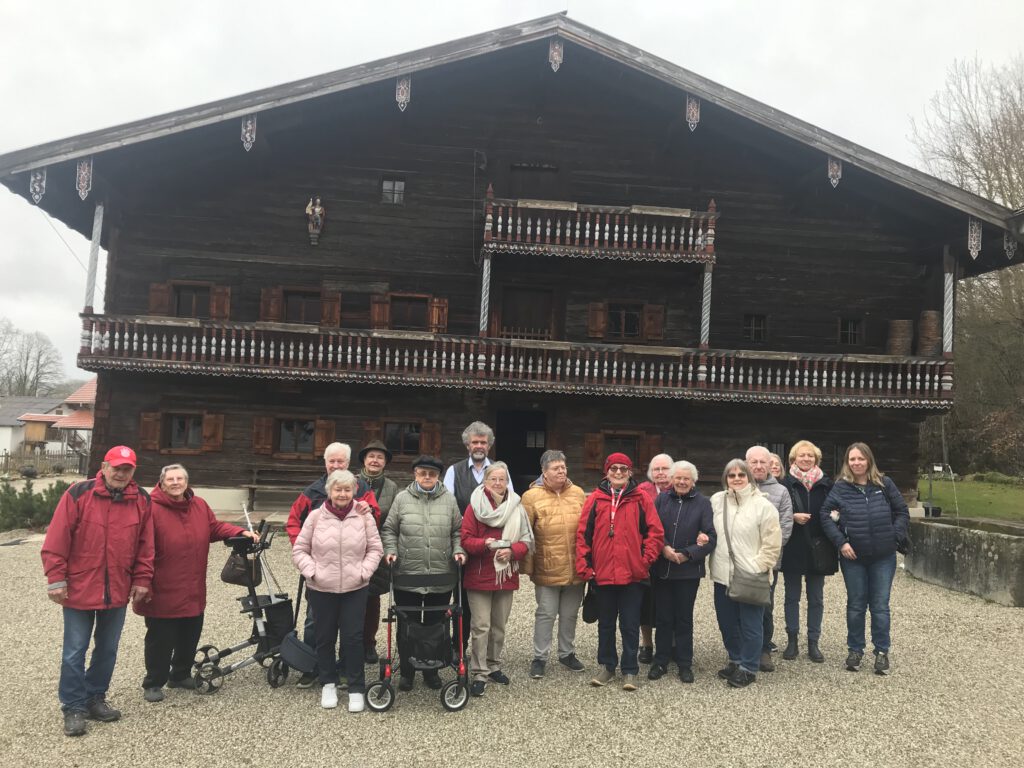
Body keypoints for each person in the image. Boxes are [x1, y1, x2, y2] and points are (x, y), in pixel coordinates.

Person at [41, 445, 154, 737]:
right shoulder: (79, 493)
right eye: (116, 467)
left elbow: (145, 544)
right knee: (74, 650)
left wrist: (142, 578)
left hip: (117, 588)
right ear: (104, 467)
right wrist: (56, 578)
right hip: (79, 587)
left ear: (133, 471)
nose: (121, 473)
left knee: (107, 648)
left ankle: (95, 697)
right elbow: (57, 537)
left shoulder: (141, 499)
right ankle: (73, 706)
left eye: (127, 469)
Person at [135, 463, 257, 703]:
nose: (175, 483)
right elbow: (140, 546)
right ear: (162, 483)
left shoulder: (199, 505)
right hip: (163, 586)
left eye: (180, 479)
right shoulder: (150, 508)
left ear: (186, 482)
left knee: (190, 633)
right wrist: (142, 580)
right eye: (170, 479)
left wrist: (238, 531)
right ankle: (154, 682)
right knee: (161, 638)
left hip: (192, 585)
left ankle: (180, 675)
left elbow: (213, 527)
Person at [286, 442, 380, 688]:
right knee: (315, 623)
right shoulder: (311, 491)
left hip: (351, 572)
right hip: (320, 573)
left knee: (351, 628)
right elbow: (293, 522)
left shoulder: (361, 489)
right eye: (332, 461)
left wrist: (370, 510)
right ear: (325, 462)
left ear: (348, 464)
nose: (336, 465)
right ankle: (313, 667)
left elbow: (375, 518)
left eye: (341, 461)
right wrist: (307, 558)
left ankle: (347, 670)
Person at [576, 453, 664, 692]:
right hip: (603, 573)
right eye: (613, 468)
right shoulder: (595, 499)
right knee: (605, 624)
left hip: (632, 575)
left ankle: (630, 669)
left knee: (630, 624)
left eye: (623, 469)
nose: (618, 473)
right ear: (606, 472)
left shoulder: (641, 499)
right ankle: (607, 666)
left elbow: (655, 533)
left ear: (630, 472)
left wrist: (644, 562)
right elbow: (583, 535)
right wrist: (585, 566)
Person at [820, 442, 909, 676]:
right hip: (853, 557)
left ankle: (881, 651)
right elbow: (825, 515)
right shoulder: (841, 487)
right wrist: (841, 542)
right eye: (852, 459)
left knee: (880, 606)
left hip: (883, 556)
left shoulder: (884, 484)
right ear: (847, 462)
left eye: (860, 458)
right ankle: (855, 649)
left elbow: (902, 511)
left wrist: (894, 536)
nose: (856, 463)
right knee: (856, 605)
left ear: (869, 460)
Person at [381, 455, 466, 691]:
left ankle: (431, 670)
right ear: (415, 474)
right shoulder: (402, 498)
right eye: (422, 473)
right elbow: (389, 530)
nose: (427, 477)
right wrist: (390, 551)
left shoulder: (449, 499)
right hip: (408, 574)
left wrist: (458, 550)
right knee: (407, 625)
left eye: (432, 473)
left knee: (435, 625)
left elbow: (457, 531)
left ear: (438, 476)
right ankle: (407, 671)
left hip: (441, 574)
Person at [461, 462, 533, 696]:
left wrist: (512, 551)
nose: (498, 483)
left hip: (505, 574)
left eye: (502, 479)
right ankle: (479, 671)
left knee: (499, 626)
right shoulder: (474, 506)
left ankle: (493, 665)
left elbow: (526, 540)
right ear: (485, 481)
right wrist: (485, 544)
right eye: (493, 479)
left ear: (507, 482)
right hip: (480, 574)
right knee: (481, 626)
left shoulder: (516, 506)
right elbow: (465, 539)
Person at [709, 459, 782, 688]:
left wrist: (758, 566)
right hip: (722, 574)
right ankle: (736, 659)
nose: (737, 479)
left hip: (750, 574)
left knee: (751, 624)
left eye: (742, 474)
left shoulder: (763, 506)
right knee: (727, 622)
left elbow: (772, 543)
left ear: (749, 478)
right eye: (732, 475)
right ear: (726, 479)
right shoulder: (717, 501)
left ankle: (749, 667)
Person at [443, 421, 511, 653]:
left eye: (483, 442)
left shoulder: (500, 471)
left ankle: (486, 654)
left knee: (491, 604)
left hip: (493, 547)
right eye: (475, 442)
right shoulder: (454, 471)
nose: (479, 446)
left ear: (489, 445)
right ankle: (458, 647)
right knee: (461, 599)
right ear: (467, 445)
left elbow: (510, 504)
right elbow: (450, 507)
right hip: (465, 543)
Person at [521, 450, 587, 679]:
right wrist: (527, 567)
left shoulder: (578, 493)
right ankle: (540, 657)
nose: (561, 471)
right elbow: (526, 533)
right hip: (547, 566)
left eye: (563, 467)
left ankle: (566, 653)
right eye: (555, 468)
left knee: (570, 614)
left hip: (575, 567)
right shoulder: (531, 497)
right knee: (546, 613)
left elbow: (588, 529)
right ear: (544, 472)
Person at [649, 461, 715, 683]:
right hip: (663, 569)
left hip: (688, 571)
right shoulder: (661, 499)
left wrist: (688, 553)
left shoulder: (703, 503)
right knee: (663, 617)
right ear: (672, 479)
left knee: (684, 618)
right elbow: (653, 528)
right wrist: (664, 548)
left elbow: (710, 537)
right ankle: (660, 661)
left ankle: (685, 663)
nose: (682, 482)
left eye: (686, 478)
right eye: (678, 478)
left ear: (693, 481)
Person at [779, 440, 836, 663]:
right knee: (791, 596)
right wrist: (792, 517)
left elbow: (836, 508)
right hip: (793, 545)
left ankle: (813, 641)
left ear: (816, 459)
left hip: (819, 546)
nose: (806, 459)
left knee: (816, 598)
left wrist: (835, 516)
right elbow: (776, 512)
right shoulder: (785, 484)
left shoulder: (827, 484)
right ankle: (792, 640)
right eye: (801, 455)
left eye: (810, 455)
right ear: (793, 459)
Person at [745, 445, 793, 672]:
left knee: (764, 605)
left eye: (762, 462)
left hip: (767, 563)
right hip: (740, 560)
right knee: (739, 603)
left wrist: (764, 556)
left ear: (770, 465)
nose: (758, 466)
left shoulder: (781, 492)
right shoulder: (738, 486)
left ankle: (763, 649)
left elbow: (785, 527)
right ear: (746, 464)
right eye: (753, 462)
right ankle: (742, 648)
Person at [357, 439, 399, 664]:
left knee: (372, 598)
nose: (375, 460)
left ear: (385, 462)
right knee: (351, 597)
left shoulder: (392, 487)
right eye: (371, 456)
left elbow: (393, 520)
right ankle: (351, 644)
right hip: (352, 548)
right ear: (364, 460)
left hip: (378, 548)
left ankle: (369, 643)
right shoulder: (351, 482)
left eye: (380, 457)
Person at [636, 452, 672, 663]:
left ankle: (671, 643)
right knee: (646, 601)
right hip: (647, 553)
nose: (660, 473)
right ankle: (647, 643)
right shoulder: (642, 491)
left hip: (672, 553)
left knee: (671, 601)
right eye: (656, 469)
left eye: (664, 468)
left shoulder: (680, 487)